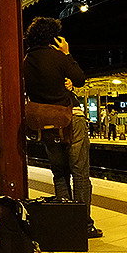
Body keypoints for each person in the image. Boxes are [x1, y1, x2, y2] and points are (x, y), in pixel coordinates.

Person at [23, 17, 103, 239]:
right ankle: (84, 225)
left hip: (45, 124)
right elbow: (79, 79)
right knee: (80, 174)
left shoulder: (26, 60)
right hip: (70, 121)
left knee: (59, 173)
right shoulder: (58, 56)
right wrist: (67, 54)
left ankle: (66, 224)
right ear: (54, 37)